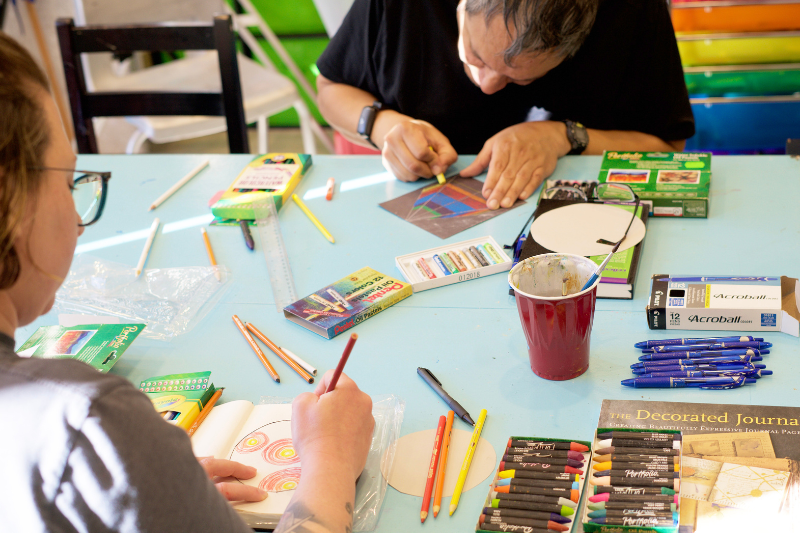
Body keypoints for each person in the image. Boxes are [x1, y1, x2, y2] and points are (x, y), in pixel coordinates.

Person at [0, 33, 374, 533]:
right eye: (70, 180)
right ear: (13, 204)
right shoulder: (88, 424)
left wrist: (157, 488)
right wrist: (330, 461)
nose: (77, 216)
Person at [316, 0, 694, 210]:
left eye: (519, 78)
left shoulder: (633, 11)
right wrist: (383, 126)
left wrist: (566, 136)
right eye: (476, 56)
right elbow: (331, 87)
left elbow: (667, 146)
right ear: (461, 6)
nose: (487, 86)